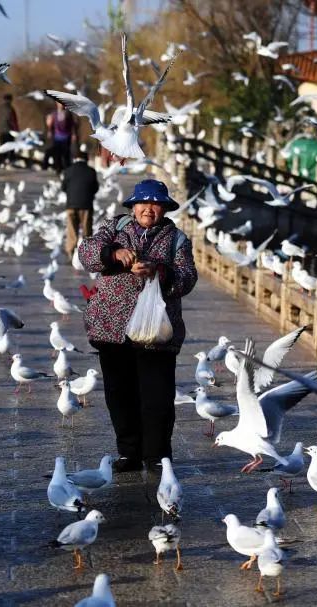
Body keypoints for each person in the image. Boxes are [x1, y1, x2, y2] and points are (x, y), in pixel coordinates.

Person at [78, 179, 198, 474]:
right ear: (133, 207)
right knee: (119, 395)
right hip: (112, 328)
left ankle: (157, 455)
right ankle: (128, 453)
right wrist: (113, 254)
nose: (148, 209)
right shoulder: (114, 229)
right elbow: (87, 253)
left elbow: (187, 278)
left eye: (155, 204)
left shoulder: (176, 240)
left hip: (155, 332)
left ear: (164, 208)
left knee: (157, 397)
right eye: (142, 203)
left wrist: (160, 271)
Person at [62, 150, 99, 258]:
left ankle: (70, 251)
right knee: (86, 230)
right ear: (86, 159)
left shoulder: (68, 170)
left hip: (71, 206)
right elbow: (95, 188)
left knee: (72, 230)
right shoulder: (91, 171)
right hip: (86, 206)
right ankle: (87, 253)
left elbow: (63, 187)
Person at [45, 100, 77, 174]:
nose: (61, 105)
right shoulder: (54, 114)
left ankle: (67, 169)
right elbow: (50, 124)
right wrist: (49, 131)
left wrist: (73, 134)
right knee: (57, 154)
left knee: (66, 154)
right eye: (59, 103)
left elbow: (72, 125)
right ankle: (58, 169)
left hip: (66, 136)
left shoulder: (68, 113)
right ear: (57, 104)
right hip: (57, 137)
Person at [0, 93, 19, 166]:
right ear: (10, 100)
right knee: (11, 146)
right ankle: (11, 160)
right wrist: (16, 131)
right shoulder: (10, 109)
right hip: (9, 130)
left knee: (2, 146)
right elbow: (14, 121)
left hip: (1, 130)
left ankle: (0, 161)